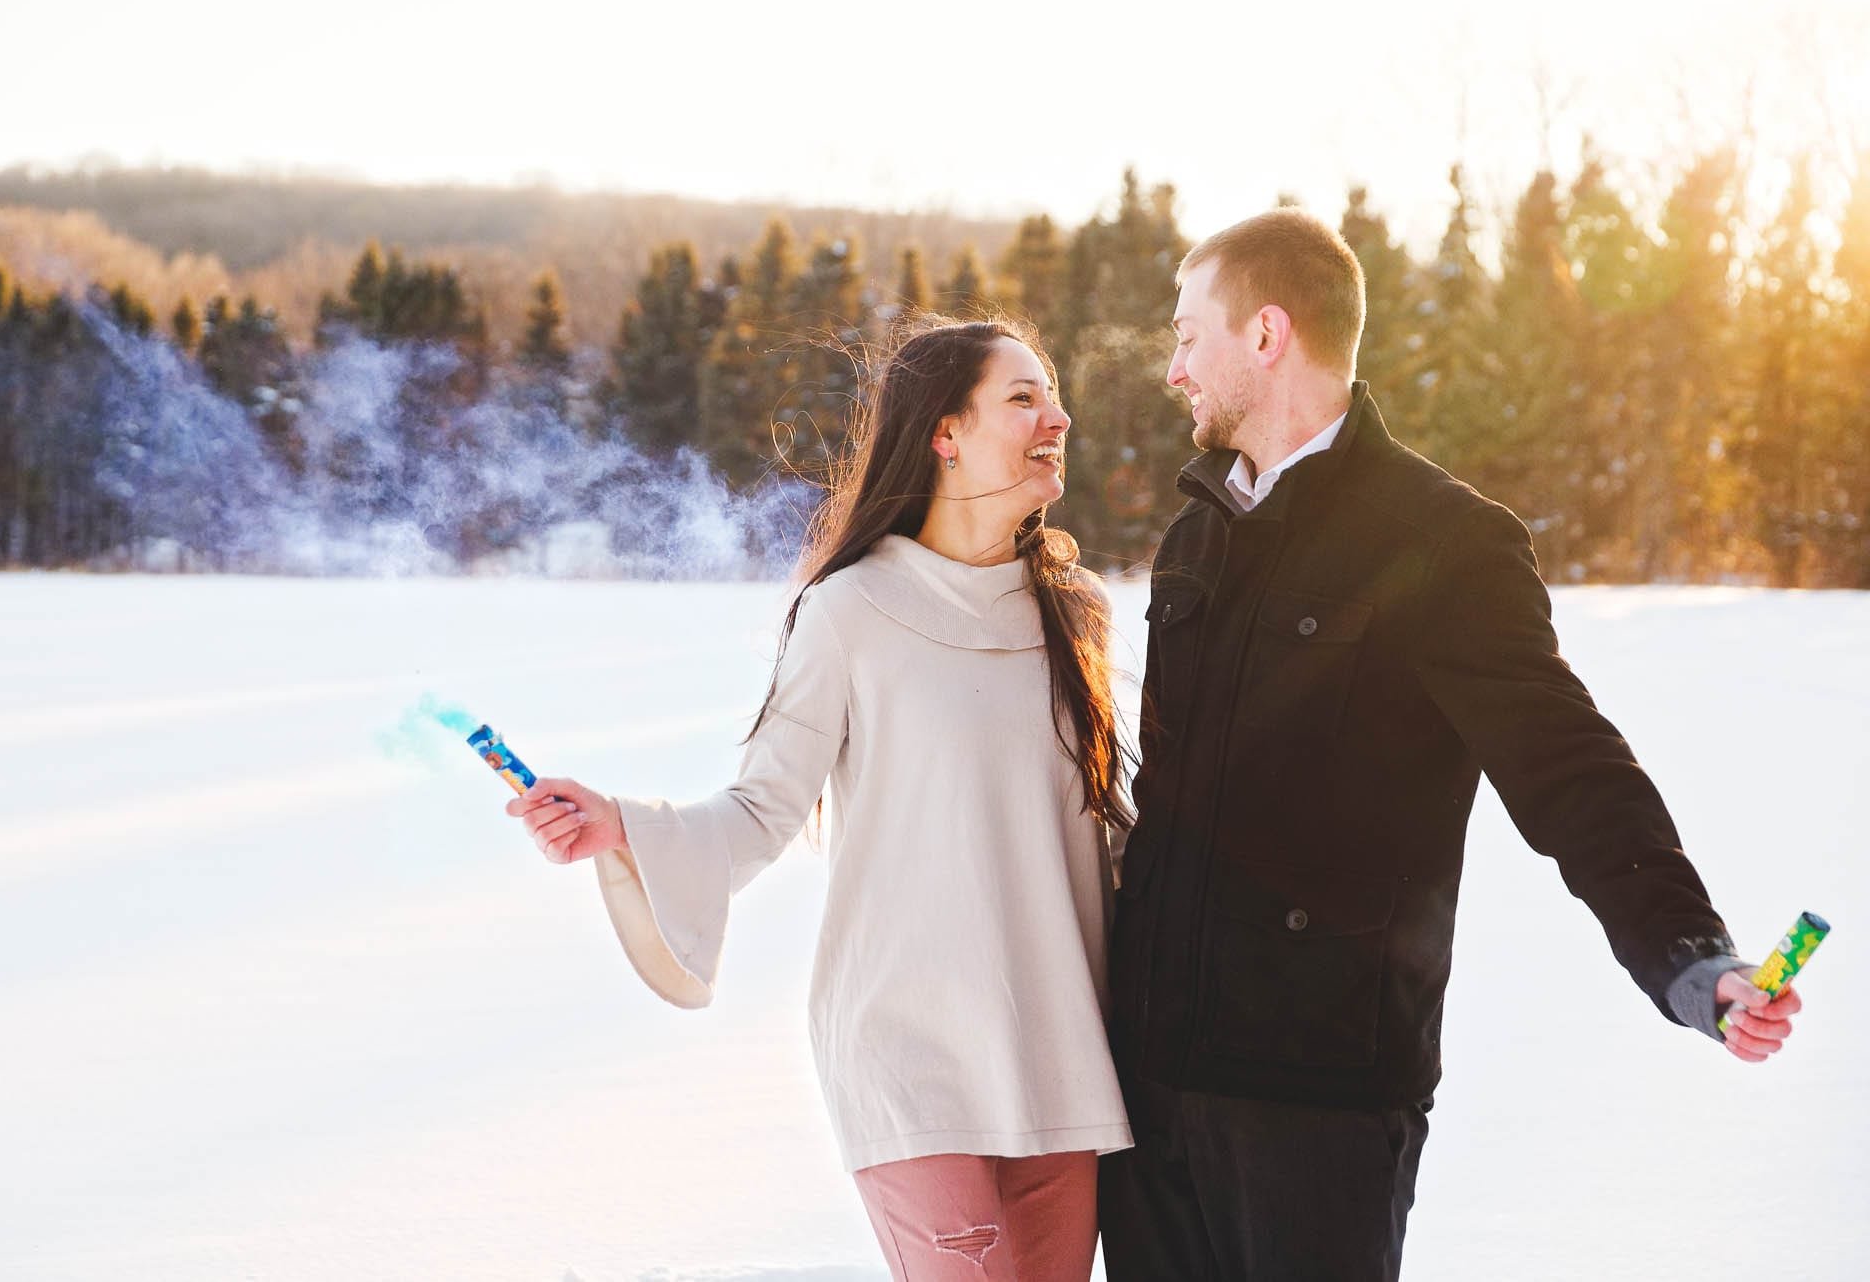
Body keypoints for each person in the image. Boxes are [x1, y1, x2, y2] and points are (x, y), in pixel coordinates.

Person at [1098, 209, 1806, 1281]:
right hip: (1151, 1092)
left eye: (1188, 333)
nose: (1171, 368)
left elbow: (1568, 768)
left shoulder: (1440, 539)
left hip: (1317, 1097)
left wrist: (1686, 956)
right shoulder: (1196, 531)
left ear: (1265, 334)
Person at [509, 318, 1135, 1281]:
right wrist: (621, 825)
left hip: (1063, 1057)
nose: (1058, 417)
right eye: (1024, 397)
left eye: (1051, 395)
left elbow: (1102, 832)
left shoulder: (1071, 611)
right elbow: (760, 812)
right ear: (945, 432)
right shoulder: (848, 613)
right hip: (913, 1060)